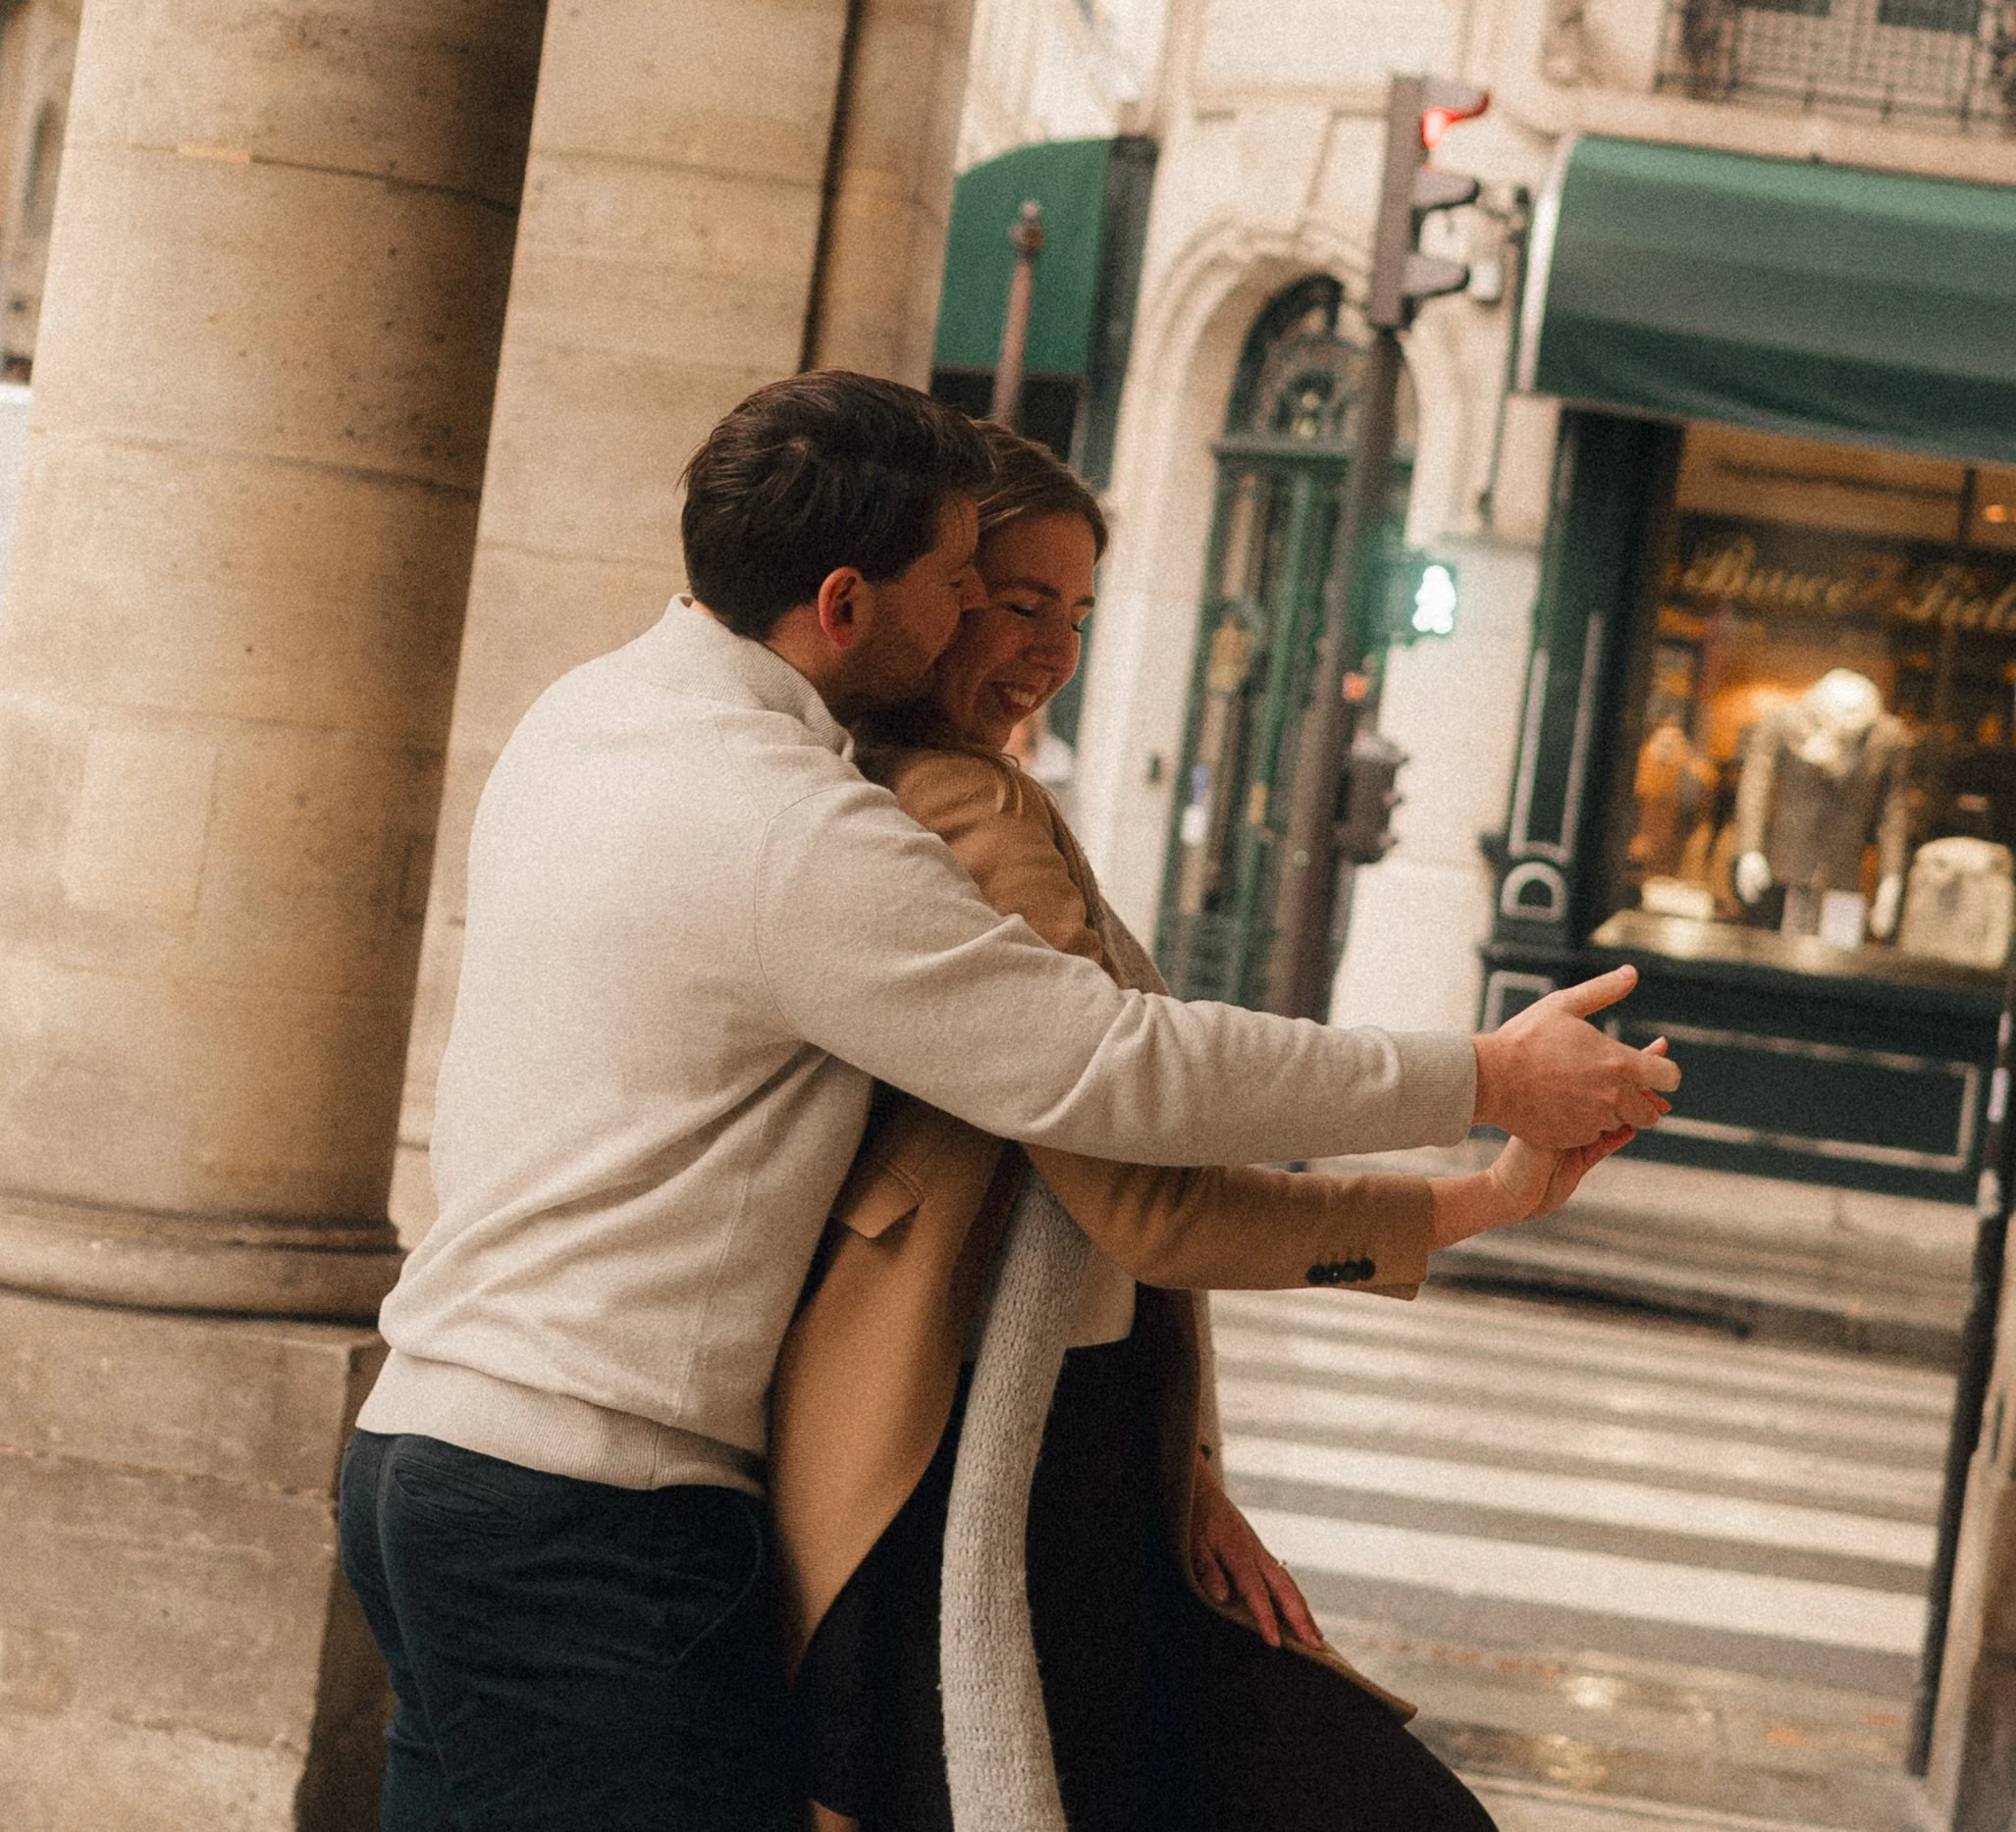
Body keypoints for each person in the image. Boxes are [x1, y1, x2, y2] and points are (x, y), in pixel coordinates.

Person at [338, 373, 1677, 1832]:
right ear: (847, 602)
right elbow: (1112, 1069)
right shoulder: (803, 829)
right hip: (586, 1502)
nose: (999, 621)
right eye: (964, 584)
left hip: (421, 1452)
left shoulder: (584, 711)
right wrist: (1480, 1076)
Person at [773, 427, 1641, 1832]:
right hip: (978, 1471)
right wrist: (1482, 1143)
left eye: (1077, 612)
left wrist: (1175, 1470)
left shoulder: (945, 790)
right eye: (1014, 598)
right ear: (921, 600)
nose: (1051, 646)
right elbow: (1143, 1188)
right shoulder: (961, 801)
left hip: (1068, 1452)